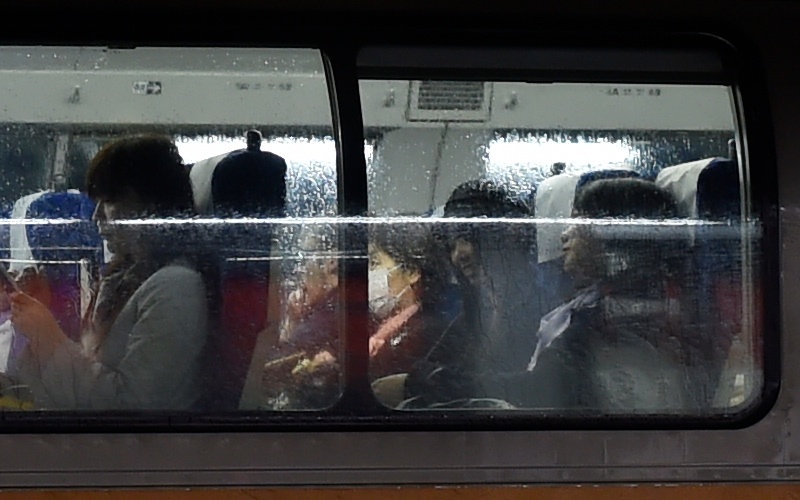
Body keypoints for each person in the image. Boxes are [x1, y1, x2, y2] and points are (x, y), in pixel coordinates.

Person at [8, 134, 214, 410]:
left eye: (108, 201)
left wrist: (49, 338)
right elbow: (88, 375)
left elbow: (134, 407)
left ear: (147, 206)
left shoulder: (176, 286)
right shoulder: (124, 277)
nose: (96, 217)